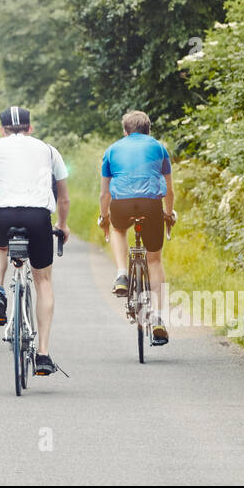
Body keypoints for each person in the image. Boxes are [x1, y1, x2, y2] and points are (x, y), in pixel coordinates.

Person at [0, 106, 70, 376]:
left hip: (2, 215)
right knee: (43, 281)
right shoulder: (49, 150)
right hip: (38, 216)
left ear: (2, 130)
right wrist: (61, 225)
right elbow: (63, 197)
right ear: (30, 127)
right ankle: (43, 353)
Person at [98, 110, 175, 345]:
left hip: (121, 205)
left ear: (125, 131)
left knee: (118, 229)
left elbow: (104, 194)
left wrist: (104, 217)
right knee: (154, 261)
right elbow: (169, 191)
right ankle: (159, 317)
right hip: (152, 205)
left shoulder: (111, 150)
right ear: (148, 129)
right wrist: (168, 213)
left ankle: (122, 274)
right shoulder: (159, 148)